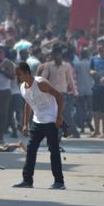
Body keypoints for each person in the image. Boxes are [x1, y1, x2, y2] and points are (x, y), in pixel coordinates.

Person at [12, 62, 66, 190]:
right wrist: (25, 124)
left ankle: (59, 182)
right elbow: (28, 104)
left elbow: (59, 96)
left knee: (54, 150)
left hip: (51, 121)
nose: (18, 77)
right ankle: (27, 180)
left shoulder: (41, 83)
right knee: (30, 150)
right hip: (37, 121)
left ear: (27, 73)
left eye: (19, 74)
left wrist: (59, 117)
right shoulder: (22, 87)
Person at [41, 44, 78, 139]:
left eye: (58, 54)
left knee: (59, 114)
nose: (56, 56)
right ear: (53, 55)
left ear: (61, 55)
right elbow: (43, 78)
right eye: (55, 55)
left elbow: (70, 80)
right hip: (51, 94)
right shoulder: (48, 66)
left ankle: (58, 135)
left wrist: (74, 92)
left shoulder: (66, 66)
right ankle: (54, 133)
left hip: (62, 94)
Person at [74, 48, 94, 134]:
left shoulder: (77, 64)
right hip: (90, 88)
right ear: (88, 55)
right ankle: (89, 120)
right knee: (90, 107)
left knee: (81, 109)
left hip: (80, 88)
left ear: (80, 55)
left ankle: (82, 127)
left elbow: (76, 76)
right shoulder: (91, 63)